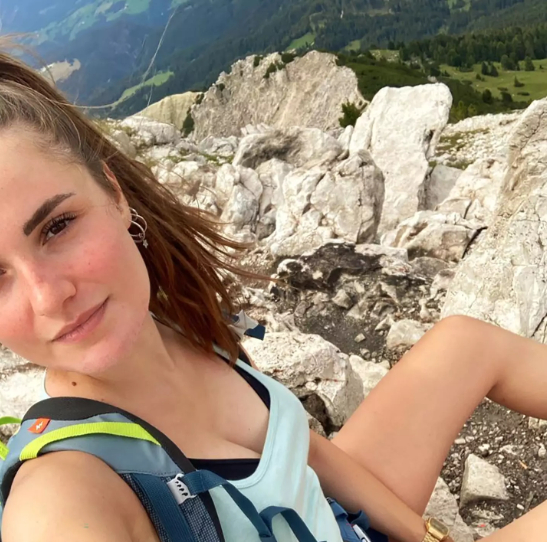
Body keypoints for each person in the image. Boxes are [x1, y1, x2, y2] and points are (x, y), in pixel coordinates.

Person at [0, 49, 545, 542]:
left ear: (115, 196)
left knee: (466, 342)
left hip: (335, 520)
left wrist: (426, 536)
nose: (49, 297)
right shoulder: (61, 497)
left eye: (57, 226)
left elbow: (306, 451)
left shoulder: (176, 322)